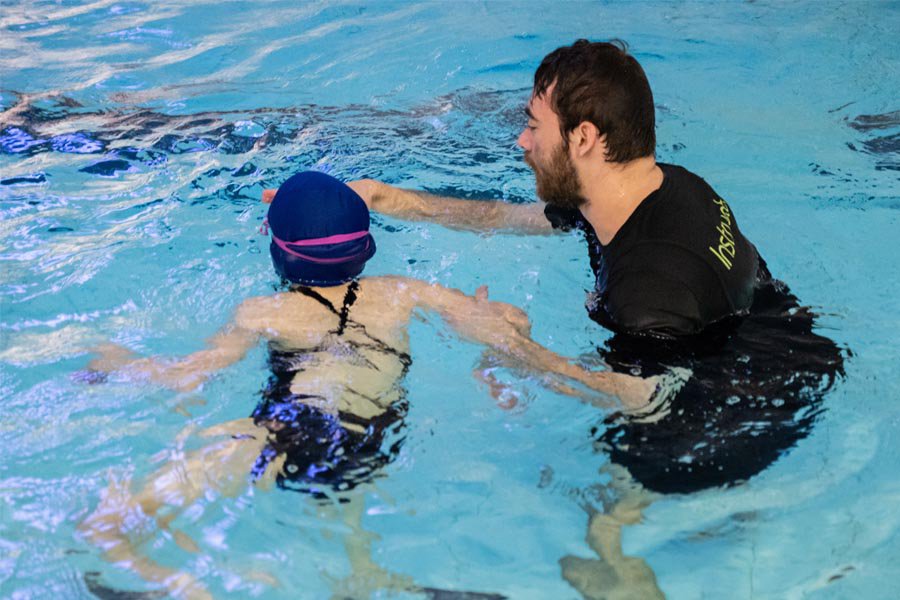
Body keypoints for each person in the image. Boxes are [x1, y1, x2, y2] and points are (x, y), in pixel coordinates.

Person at [261, 41, 846, 597]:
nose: (521, 140)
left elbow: (638, 398)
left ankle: (635, 562)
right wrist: (387, 199)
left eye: (534, 125)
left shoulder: (651, 284)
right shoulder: (653, 189)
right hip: (783, 343)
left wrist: (511, 349)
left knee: (594, 526)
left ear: (584, 137)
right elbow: (504, 217)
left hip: (742, 410)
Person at [79, 171, 657, 599]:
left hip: (290, 429)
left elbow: (187, 377)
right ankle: (383, 582)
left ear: (278, 252)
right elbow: (504, 327)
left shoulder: (263, 311)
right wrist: (496, 327)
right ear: (366, 249)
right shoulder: (402, 292)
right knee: (354, 551)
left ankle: (180, 586)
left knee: (108, 523)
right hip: (376, 439)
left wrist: (113, 360)